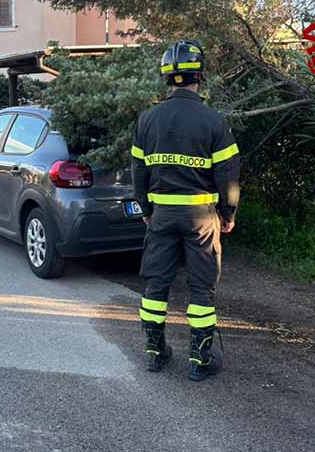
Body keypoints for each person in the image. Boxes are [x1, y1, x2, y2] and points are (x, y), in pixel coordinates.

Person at [131, 40, 240, 381]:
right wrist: (229, 213)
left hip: (161, 215)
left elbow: (138, 171)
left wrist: (146, 208)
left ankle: (154, 353)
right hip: (201, 218)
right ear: (200, 76)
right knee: (201, 288)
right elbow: (228, 173)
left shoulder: (147, 119)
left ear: (167, 78)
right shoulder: (213, 121)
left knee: (156, 284)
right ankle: (199, 359)